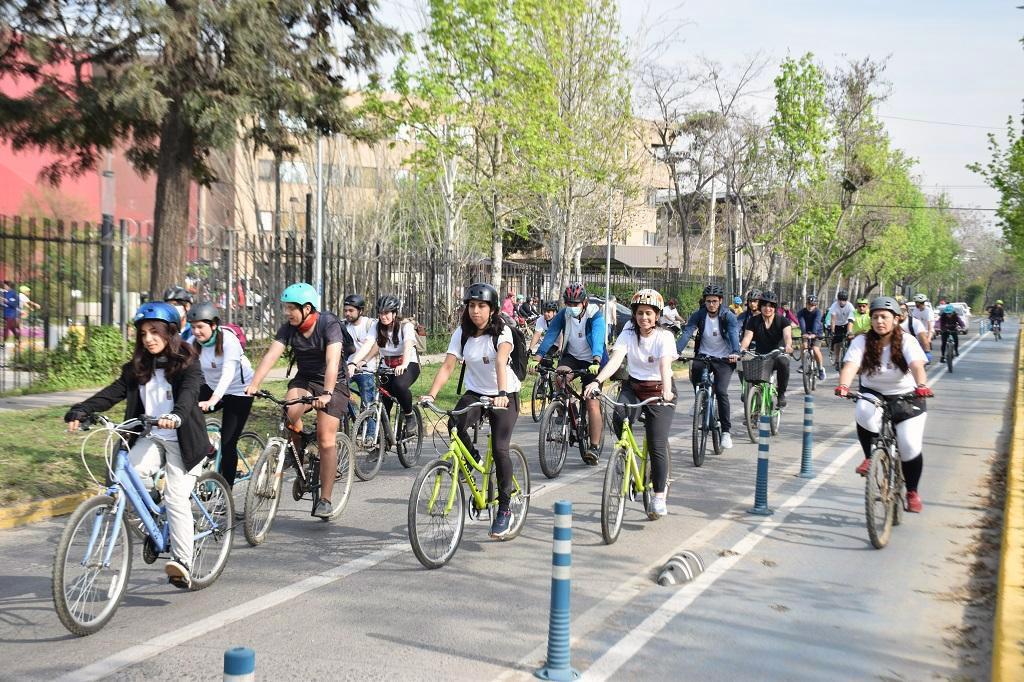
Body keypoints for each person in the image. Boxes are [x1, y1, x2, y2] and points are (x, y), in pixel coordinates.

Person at [64, 302, 210, 588]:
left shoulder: (187, 364)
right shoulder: (137, 368)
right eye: (143, 333)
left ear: (170, 333)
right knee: (126, 478)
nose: (149, 339)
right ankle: (154, 528)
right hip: (151, 436)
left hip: (183, 439)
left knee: (176, 498)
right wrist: (81, 409)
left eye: (155, 332)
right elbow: (112, 393)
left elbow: (189, 395)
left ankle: (183, 562)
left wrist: (176, 416)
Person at [421, 283, 522, 538]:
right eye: (472, 306)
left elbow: (500, 361)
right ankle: (474, 458)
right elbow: (447, 367)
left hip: (504, 394)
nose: (475, 311)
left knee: (500, 450)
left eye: (481, 306)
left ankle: (505, 510)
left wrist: (500, 394)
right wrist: (431, 394)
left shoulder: (503, 332)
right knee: (454, 425)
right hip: (476, 392)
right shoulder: (462, 333)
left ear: (492, 309)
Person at [245, 282, 350, 519]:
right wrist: (255, 384)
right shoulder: (288, 328)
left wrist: (327, 393)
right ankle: (298, 452)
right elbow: (271, 355)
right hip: (305, 379)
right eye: (286, 307)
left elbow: (333, 362)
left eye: (291, 307)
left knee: (325, 439)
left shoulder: (328, 324)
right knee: (289, 411)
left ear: (308, 308)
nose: (287, 312)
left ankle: (325, 499)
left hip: (334, 383)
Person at [835, 297, 932, 513]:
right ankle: (870, 457)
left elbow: (916, 365)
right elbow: (851, 365)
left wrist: (922, 384)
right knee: (863, 410)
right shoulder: (861, 341)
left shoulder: (907, 341)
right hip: (874, 392)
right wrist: (843, 385)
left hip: (907, 396)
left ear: (896, 320)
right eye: (875, 317)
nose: (879, 321)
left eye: (884, 317)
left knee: (908, 446)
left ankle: (912, 492)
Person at [587, 288, 676, 517]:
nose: (643, 318)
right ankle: (626, 457)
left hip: (659, 391)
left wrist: (666, 391)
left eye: (648, 313)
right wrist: (597, 381)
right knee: (618, 418)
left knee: (656, 443)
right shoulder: (628, 332)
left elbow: (665, 366)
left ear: (657, 315)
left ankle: (658, 494)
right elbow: (616, 360)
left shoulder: (664, 336)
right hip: (634, 387)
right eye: (639, 313)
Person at [534, 283, 607, 465]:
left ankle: (594, 447)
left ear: (584, 302)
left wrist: (597, 360)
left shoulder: (594, 315)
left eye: (576, 304)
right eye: (569, 304)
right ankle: (569, 410)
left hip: (593, 361)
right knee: (560, 378)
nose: (572, 307)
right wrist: (538, 357)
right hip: (572, 356)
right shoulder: (564, 314)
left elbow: (598, 337)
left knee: (591, 402)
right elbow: (551, 334)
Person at [187, 301, 255, 494]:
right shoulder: (194, 344)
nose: (196, 332)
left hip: (239, 391)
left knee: (228, 443)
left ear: (213, 325)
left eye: (200, 327)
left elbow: (228, 373)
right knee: (186, 410)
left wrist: (213, 400)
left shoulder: (228, 341)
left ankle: (226, 492)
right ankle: (207, 449)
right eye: (193, 327)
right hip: (212, 387)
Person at [676, 284, 740, 449]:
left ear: (720, 301)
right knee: (695, 371)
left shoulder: (728, 316)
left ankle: (726, 432)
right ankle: (701, 399)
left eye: (714, 301)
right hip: (704, 355)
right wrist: (675, 350)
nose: (711, 304)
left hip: (725, 359)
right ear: (704, 302)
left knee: (721, 391)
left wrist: (735, 351)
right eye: (708, 301)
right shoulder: (699, 315)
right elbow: (687, 332)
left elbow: (733, 333)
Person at [348, 294, 420, 439]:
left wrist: (404, 364)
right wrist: (355, 362)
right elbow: (368, 345)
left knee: (399, 386)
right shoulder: (376, 326)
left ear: (394, 313)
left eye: (386, 313)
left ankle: (409, 415)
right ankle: (382, 443)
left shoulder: (406, 326)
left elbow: (407, 346)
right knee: (384, 403)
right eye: (381, 313)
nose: (383, 316)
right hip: (387, 365)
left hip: (408, 364)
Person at [740, 291, 794, 407]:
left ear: (774, 307)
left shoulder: (782, 321)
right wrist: (742, 349)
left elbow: (787, 337)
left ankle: (781, 394)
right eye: (764, 305)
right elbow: (747, 337)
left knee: (783, 362)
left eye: (771, 306)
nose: (767, 308)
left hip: (777, 355)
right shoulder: (753, 321)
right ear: (760, 306)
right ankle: (752, 411)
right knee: (746, 368)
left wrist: (788, 346)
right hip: (760, 357)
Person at [342, 294, 377, 436]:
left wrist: (364, 360)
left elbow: (376, 346)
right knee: (338, 392)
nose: (347, 313)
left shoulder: (370, 325)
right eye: (345, 310)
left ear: (360, 311)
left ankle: (370, 435)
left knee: (368, 400)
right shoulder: (343, 325)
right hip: (347, 368)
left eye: (351, 310)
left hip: (366, 369)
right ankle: (355, 416)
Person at [797, 295, 826, 381]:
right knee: (803, 346)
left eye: (813, 305)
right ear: (806, 304)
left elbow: (816, 322)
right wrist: (804, 332)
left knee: (815, 349)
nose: (810, 307)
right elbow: (802, 323)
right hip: (806, 332)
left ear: (816, 305)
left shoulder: (818, 312)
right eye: (809, 304)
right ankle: (803, 364)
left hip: (817, 333)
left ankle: (820, 369)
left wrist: (814, 333)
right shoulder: (801, 312)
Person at [2, 280, 20, 345]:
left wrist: (7, 301)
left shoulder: (15, 294)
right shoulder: (5, 294)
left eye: (5, 285)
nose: (4, 286)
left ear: (8, 286)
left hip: (12, 315)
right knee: (12, 328)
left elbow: (15, 305)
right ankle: (18, 339)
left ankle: (3, 343)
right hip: (6, 314)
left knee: (6, 328)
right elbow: (3, 304)